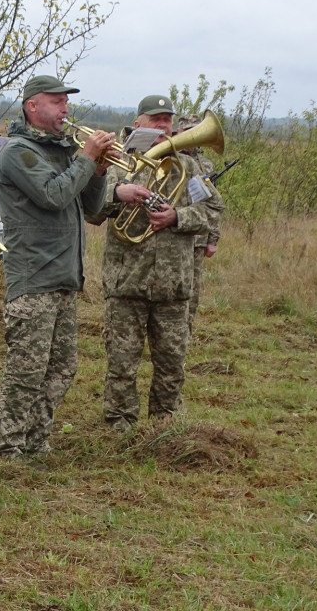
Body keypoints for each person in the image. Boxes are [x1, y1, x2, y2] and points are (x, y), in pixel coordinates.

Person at [0, 75, 112, 460]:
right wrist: (86, 159)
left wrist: (99, 171)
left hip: (63, 277)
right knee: (27, 369)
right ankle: (7, 444)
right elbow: (54, 195)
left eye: (66, 102)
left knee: (62, 368)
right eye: (57, 102)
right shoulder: (18, 152)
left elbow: (91, 210)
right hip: (33, 276)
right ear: (32, 106)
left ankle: (35, 440)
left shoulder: (63, 151)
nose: (65, 110)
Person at [91, 95, 225, 433]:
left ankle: (165, 423)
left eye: (168, 119)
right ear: (138, 123)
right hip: (127, 281)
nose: (164, 126)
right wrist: (116, 193)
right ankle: (119, 423)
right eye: (156, 119)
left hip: (174, 283)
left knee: (172, 362)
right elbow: (91, 210)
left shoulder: (189, 167)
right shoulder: (115, 161)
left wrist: (177, 216)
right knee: (122, 362)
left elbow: (211, 211)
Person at [176, 113, 223, 337]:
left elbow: (213, 206)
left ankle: (186, 333)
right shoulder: (170, 157)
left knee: (192, 291)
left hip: (198, 236)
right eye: (187, 131)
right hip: (174, 233)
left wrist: (212, 239)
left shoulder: (205, 164)